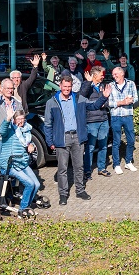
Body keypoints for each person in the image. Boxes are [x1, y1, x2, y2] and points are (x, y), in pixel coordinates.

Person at [43, 74, 111, 205]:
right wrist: (50, 141)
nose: (67, 89)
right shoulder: (51, 102)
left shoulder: (79, 98)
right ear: (60, 86)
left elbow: (94, 106)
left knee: (79, 166)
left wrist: (104, 97)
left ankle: (80, 190)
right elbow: (48, 124)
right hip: (62, 138)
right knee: (62, 169)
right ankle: (63, 194)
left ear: (72, 86)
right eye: (65, 86)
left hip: (77, 137)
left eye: (69, 87)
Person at [0, 109, 40, 216]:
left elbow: (29, 144)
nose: (21, 121)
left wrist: (33, 147)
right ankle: (22, 210)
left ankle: (27, 205)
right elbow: (1, 131)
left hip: (22, 163)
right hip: (10, 164)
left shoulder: (26, 130)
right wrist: (7, 119)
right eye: (18, 119)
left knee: (36, 184)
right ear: (14, 119)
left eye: (23, 119)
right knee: (29, 184)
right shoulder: (10, 129)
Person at [79, 66, 111, 179]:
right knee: (90, 147)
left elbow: (107, 100)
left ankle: (101, 168)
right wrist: (88, 82)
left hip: (103, 119)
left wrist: (104, 103)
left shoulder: (103, 86)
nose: (103, 76)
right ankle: (87, 170)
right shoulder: (86, 85)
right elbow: (82, 95)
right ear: (94, 75)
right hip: (91, 121)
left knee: (103, 146)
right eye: (101, 74)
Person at [108, 66, 139, 173]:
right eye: (113, 75)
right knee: (116, 141)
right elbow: (109, 103)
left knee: (131, 140)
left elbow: (136, 98)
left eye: (115, 74)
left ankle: (128, 161)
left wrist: (130, 100)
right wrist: (122, 102)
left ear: (122, 74)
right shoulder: (110, 86)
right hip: (116, 116)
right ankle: (116, 164)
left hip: (127, 115)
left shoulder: (131, 84)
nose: (114, 76)